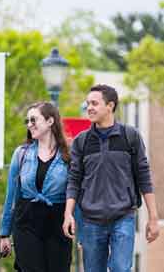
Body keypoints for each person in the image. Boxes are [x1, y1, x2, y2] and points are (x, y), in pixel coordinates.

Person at [63, 84, 160, 272]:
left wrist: (153, 218)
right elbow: (73, 180)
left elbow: (144, 177)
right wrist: (68, 214)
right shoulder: (81, 142)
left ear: (110, 106)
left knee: (120, 268)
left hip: (123, 218)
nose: (89, 107)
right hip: (90, 221)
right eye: (88, 103)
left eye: (94, 103)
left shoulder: (129, 137)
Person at [0, 101, 72, 272]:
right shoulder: (22, 153)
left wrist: (81, 231)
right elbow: (12, 195)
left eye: (33, 120)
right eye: (28, 121)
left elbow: (74, 193)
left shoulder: (68, 154)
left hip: (58, 223)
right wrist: (4, 233)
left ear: (50, 121)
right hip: (26, 222)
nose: (29, 125)